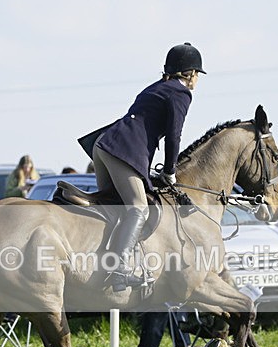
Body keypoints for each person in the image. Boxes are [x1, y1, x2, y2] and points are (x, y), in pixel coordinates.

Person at [80, 42, 205, 292]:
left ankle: (98, 261)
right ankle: (119, 270)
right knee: (138, 207)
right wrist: (170, 170)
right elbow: (174, 136)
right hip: (122, 152)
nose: (197, 81)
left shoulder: (157, 87)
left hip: (103, 147)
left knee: (115, 207)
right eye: (197, 75)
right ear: (190, 73)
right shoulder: (181, 93)